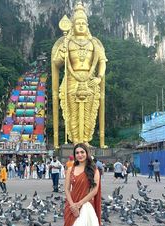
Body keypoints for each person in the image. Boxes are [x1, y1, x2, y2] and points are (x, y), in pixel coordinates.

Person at [52, 2, 107, 148]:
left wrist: (99, 78)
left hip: (90, 80)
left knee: (89, 112)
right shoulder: (67, 42)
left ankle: (86, 140)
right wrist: (63, 53)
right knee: (73, 112)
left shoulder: (94, 43)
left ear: (87, 25)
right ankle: (76, 140)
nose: (81, 25)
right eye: (78, 23)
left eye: (83, 23)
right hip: (72, 79)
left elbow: (102, 62)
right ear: (73, 26)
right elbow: (56, 63)